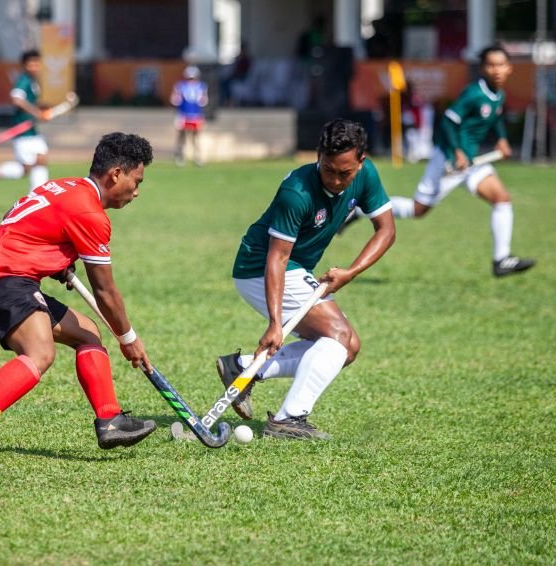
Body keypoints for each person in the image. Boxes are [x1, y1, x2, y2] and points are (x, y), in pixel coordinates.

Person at [0, 132, 157, 469]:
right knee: (39, 353)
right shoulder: (90, 213)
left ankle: (110, 420)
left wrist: (54, 260)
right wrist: (128, 339)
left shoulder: (64, 186)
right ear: (115, 174)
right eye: (136, 181)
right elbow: (105, 291)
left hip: (9, 276)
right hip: (2, 281)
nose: (137, 191)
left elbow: (22, 222)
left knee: (87, 333)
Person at [215, 119, 395, 440]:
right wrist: (275, 323)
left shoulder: (366, 175)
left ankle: (243, 367)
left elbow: (387, 230)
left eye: (345, 173)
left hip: (293, 267)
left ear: (361, 162)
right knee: (340, 336)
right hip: (260, 267)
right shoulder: (296, 192)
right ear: (318, 156)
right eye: (328, 170)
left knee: (348, 347)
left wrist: (351, 272)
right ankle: (288, 419)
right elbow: (277, 258)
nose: (336, 180)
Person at [341, 45, 534, 277]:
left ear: (509, 68)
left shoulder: (498, 95)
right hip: (449, 160)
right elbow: (448, 122)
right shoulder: (474, 93)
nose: (497, 70)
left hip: (472, 163)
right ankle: (360, 209)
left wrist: (501, 139)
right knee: (417, 209)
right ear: (483, 68)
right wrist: (457, 152)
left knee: (502, 199)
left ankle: (501, 260)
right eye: (491, 65)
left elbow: (495, 117)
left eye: (501, 65)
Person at [0, 49, 51, 193]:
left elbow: (30, 102)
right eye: (31, 64)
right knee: (27, 167)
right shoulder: (23, 80)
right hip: (22, 129)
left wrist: (42, 111)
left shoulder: (33, 81)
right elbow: (16, 99)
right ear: (24, 65)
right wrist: (36, 112)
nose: (34, 67)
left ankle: (38, 195)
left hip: (31, 129)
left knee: (38, 160)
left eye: (37, 63)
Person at [170, 65, 208, 167]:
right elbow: (174, 100)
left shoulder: (201, 86)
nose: (191, 80)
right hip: (183, 115)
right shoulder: (180, 86)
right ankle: (180, 157)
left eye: (193, 78)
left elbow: (204, 101)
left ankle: (198, 157)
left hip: (196, 115)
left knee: (196, 137)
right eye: (190, 78)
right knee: (181, 137)